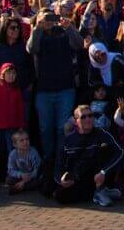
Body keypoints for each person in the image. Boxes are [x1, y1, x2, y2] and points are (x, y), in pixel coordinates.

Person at [28, 8, 84, 158]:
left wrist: (70, 27)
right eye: (44, 18)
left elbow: (79, 45)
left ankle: (61, 160)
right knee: (45, 128)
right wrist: (38, 28)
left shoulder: (63, 32)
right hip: (44, 90)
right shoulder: (37, 33)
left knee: (62, 128)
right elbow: (31, 48)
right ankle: (48, 160)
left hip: (65, 88)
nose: (48, 21)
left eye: (50, 18)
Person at [53, 103, 124, 207]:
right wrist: (61, 179)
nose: (88, 119)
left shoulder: (102, 133)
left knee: (105, 149)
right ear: (76, 121)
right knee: (58, 195)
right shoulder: (68, 140)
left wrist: (104, 172)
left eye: (90, 115)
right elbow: (58, 165)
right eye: (83, 117)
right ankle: (100, 193)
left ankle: (101, 190)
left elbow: (120, 151)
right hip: (79, 177)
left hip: (100, 174)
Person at [5, 130, 42, 194]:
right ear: (15, 144)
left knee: (38, 181)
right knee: (8, 179)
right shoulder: (13, 154)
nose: (25, 142)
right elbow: (10, 170)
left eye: (27, 139)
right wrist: (20, 175)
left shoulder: (33, 152)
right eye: (21, 140)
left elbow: (38, 169)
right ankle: (22, 187)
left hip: (32, 176)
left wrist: (25, 181)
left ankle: (19, 188)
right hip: (21, 176)